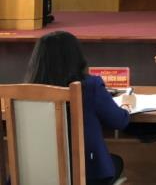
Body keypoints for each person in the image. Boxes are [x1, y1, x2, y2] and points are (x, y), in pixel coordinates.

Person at [24, 31, 135, 185]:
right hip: (85, 175)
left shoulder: (24, 93)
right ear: (76, 56)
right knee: (116, 161)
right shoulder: (90, 86)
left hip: (34, 174)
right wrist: (127, 105)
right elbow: (119, 121)